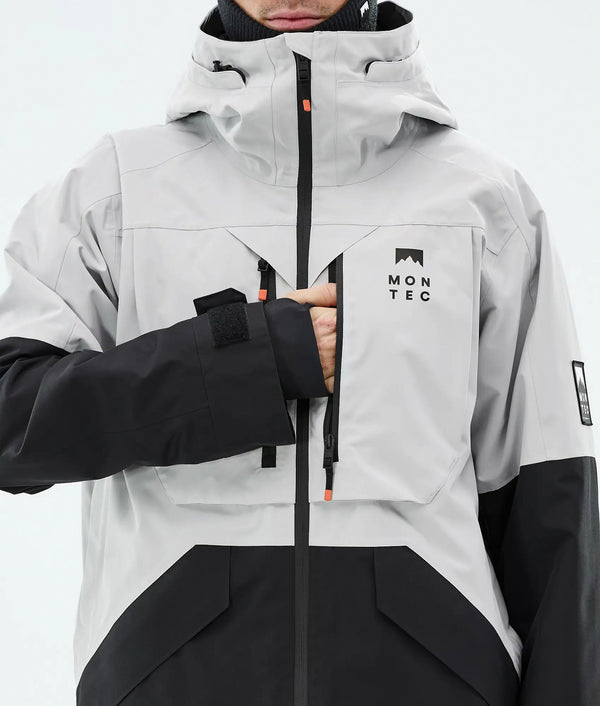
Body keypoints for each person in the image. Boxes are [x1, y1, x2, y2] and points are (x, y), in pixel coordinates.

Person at [0, 0, 598, 704]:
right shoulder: (117, 191)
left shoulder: (483, 203)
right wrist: (238, 365)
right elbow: (11, 418)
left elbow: (552, 523)